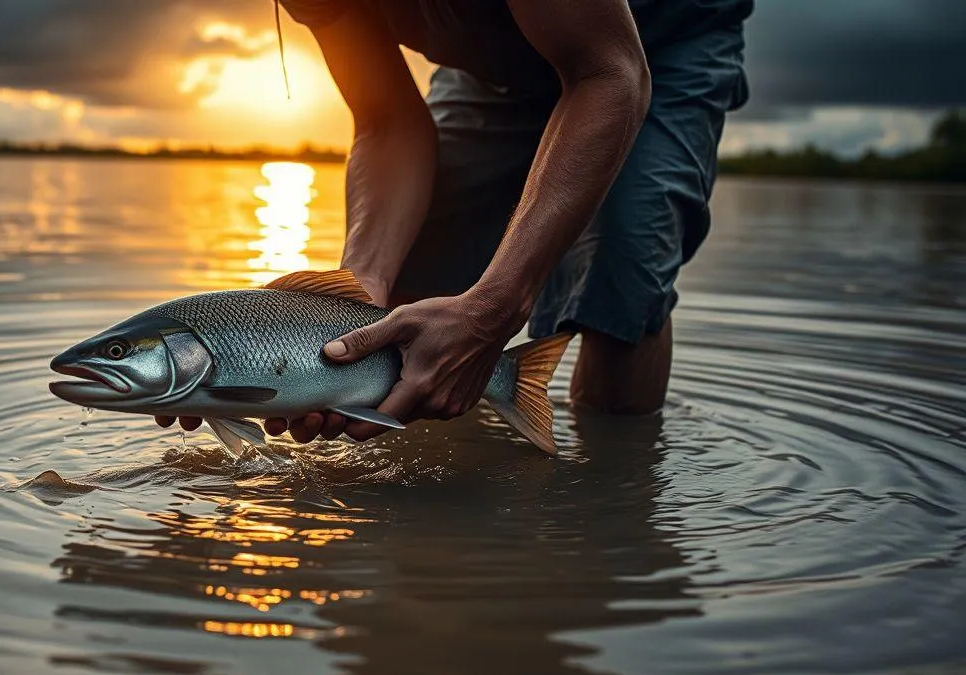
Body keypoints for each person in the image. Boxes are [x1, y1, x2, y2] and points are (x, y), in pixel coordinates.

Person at [159, 0, 752, 444]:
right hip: (489, 72)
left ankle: (609, 516)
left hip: (648, 51)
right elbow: (386, 122)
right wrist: (360, 286)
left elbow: (608, 75)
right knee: (406, 296)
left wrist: (495, 306)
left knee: (618, 281)